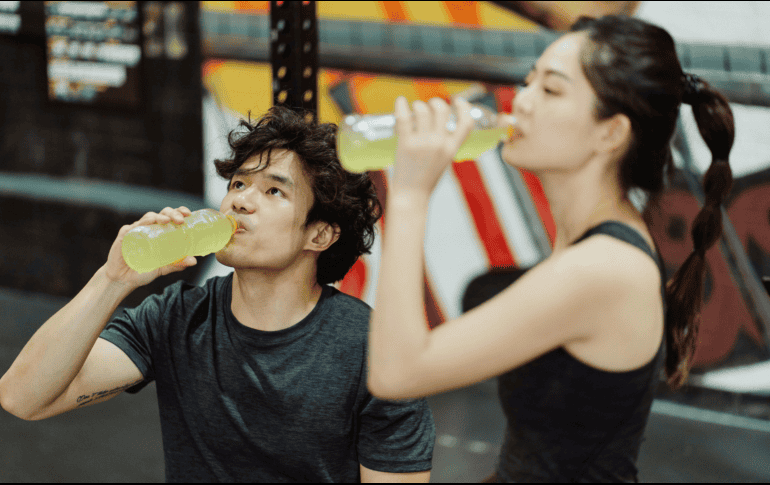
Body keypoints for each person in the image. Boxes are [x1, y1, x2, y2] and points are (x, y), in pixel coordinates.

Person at [367, 14, 734, 483]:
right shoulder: (590, 245)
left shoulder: (601, 268)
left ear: (611, 133)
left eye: (551, 90)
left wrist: (413, 193)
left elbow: (396, 374)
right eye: (527, 82)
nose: (520, 101)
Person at [0, 106, 436, 483]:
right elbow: (23, 398)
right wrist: (114, 279)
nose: (241, 202)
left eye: (274, 190)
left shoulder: (375, 352)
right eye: (238, 184)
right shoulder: (175, 315)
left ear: (319, 234)